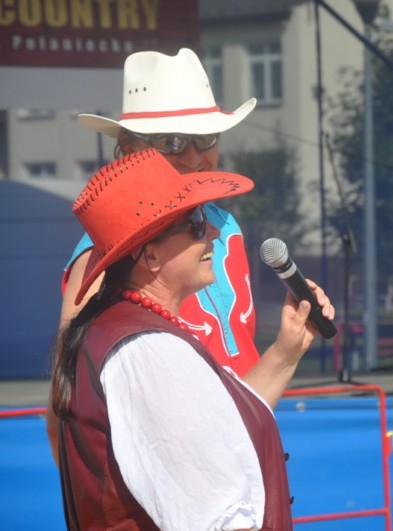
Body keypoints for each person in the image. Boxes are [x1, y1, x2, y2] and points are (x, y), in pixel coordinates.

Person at [46, 48, 333, 463]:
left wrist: (288, 347)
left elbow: (237, 381)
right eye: (174, 141)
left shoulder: (224, 226)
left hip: (245, 463)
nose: (196, 157)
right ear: (128, 147)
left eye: (207, 138)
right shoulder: (104, 253)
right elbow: (66, 410)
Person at [51, 148, 313, 530]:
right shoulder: (149, 350)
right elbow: (217, 518)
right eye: (195, 222)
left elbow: (226, 424)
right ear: (151, 255)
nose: (214, 232)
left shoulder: (124, 333)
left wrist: (287, 350)